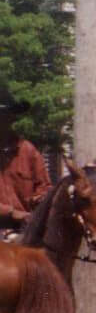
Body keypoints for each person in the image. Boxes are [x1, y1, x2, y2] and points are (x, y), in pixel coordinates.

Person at [0, 89, 50, 235]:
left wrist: (40, 200)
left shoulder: (28, 150)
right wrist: (12, 212)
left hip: (25, 229)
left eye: (4, 117)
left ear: (12, 119)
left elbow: (45, 186)